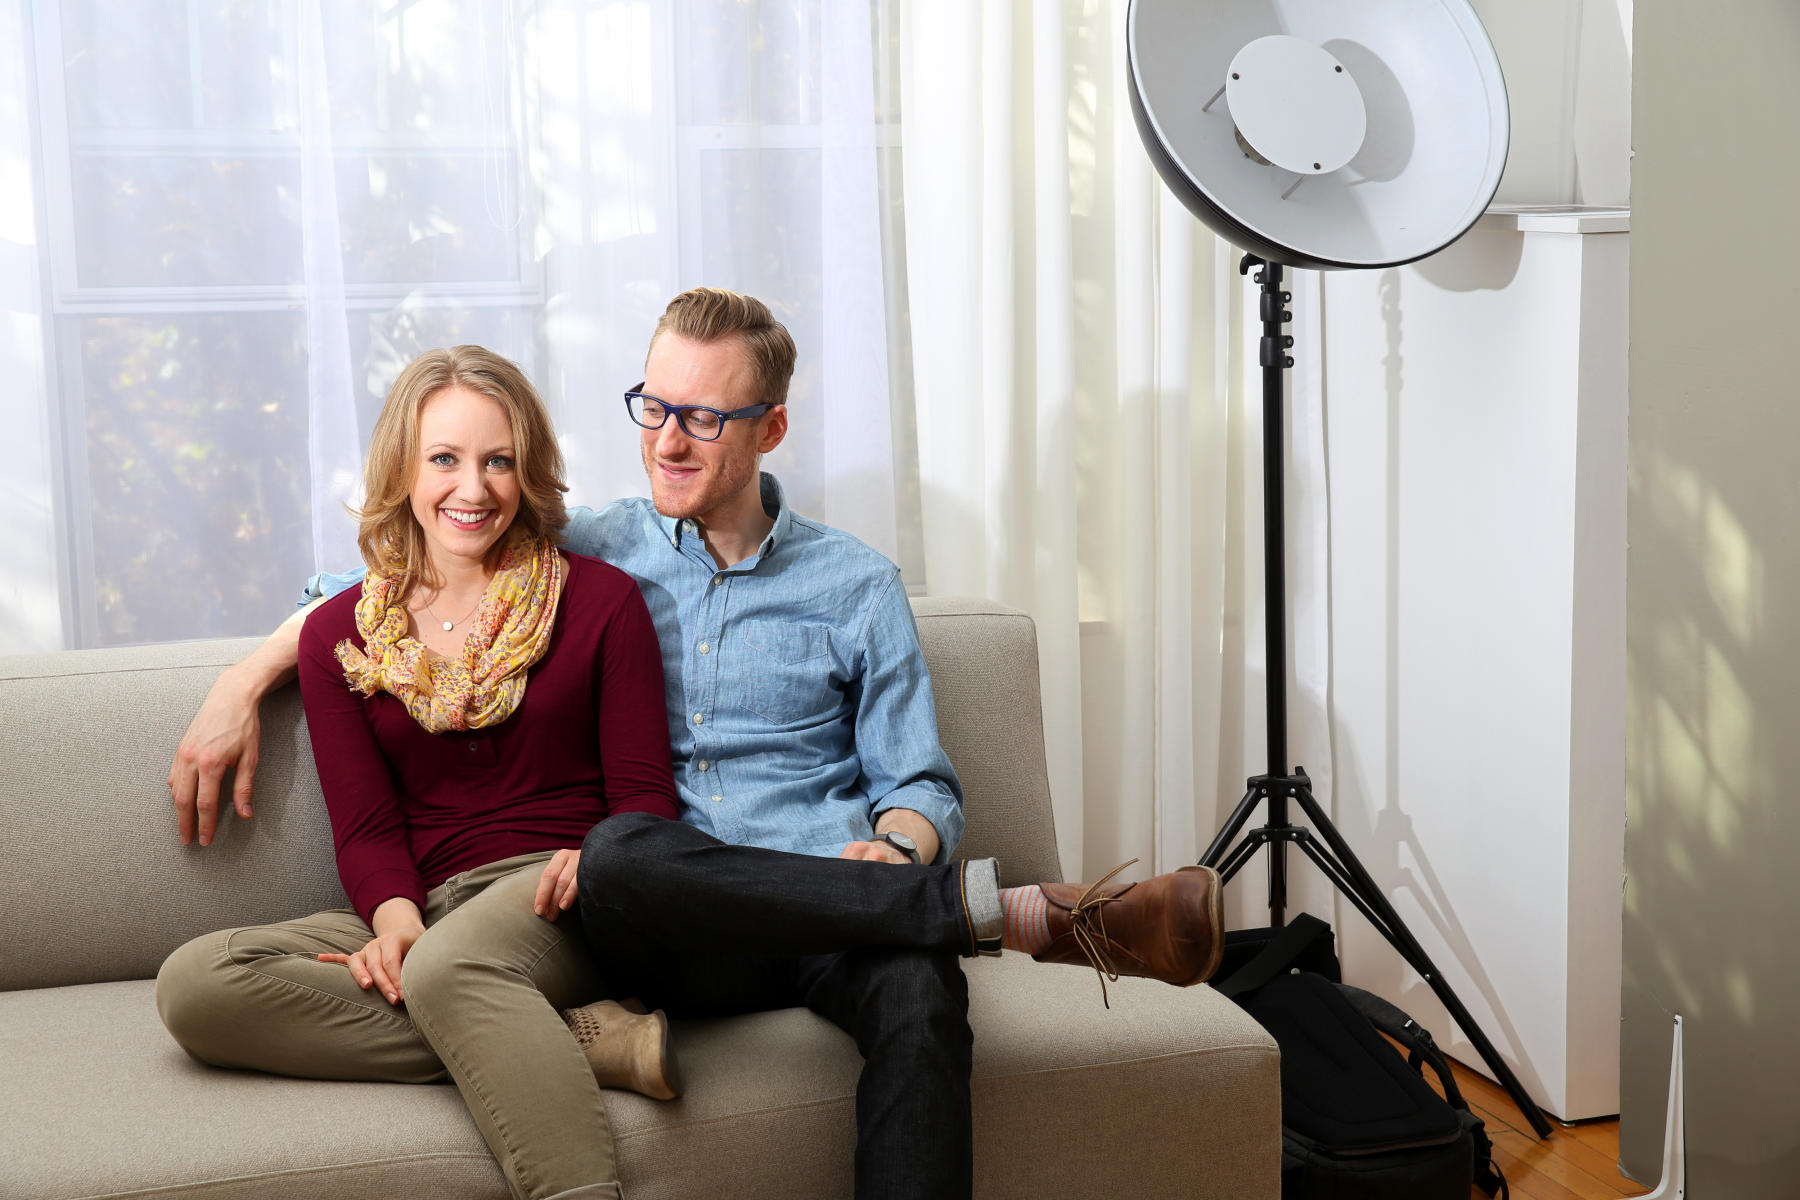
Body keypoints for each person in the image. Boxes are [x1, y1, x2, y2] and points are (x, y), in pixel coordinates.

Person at [168, 289, 1225, 1200]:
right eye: (654, 408)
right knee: (620, 850)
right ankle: (1025, 916)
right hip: (650, 913)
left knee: (918, 994)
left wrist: (898, 849)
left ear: (768, 430)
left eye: (704, 418)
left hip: (816, 901)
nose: (669, 441)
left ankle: (946, 915)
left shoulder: (852, 585)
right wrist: (242, 678)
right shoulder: (596, 547)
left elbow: (915, 783)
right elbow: (391, 580)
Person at [157, 346, 682, 1200]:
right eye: (445, 458)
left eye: (498, 461)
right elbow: (366, 827)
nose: (472, 490)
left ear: (528, 471)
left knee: (447, 970)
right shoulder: (339, 636)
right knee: (198, 984)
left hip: (560, 898)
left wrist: (602, 860)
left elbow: (645, 800)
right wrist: (397, 923)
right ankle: (574, 1036)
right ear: (403, 466)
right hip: (432, 903)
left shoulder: (601, 602)